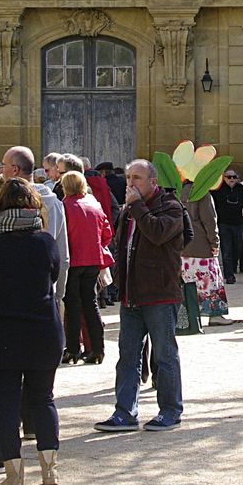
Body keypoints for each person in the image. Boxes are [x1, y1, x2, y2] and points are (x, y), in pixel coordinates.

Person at [0, 177, 64, 485]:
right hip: (42, 329)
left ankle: (13, 474)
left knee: (5, 402)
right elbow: (53, 276)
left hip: (0, 331)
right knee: (43, 398)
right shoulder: (44, 242)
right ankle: (49, 470)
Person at [95, 159, 188, 433]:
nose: (130, 183)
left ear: (153, 182)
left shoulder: (170, 207)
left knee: (164, 355)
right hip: (131, 295)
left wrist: (136, 207)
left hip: (160, 294)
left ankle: (170, 410)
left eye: (137, 177)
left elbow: (158, 234)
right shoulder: (127, 210)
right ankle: (124, 413)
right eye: (128, 177)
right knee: (128, 356)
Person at [0, 146, 70, 306]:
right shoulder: (55, 203)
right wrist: (58, 294)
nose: (1, 170)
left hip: (14, 292)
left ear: (15, 169)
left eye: (4, 165)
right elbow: (62, 254)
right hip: (46, 292)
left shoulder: (8, 203)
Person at [60, 169, 113, 365]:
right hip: (93, 260)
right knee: (91, 304)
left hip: (73, 261)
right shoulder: (94, 204)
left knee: (72, 306)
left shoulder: (65, 206)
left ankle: (73, 349)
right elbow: (107, 234)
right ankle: (97, 349)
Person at [183, 183, 232, 327]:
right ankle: (214, 315)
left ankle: (186, 316)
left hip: (182, 246)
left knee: (187, 281)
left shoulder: (176, 191)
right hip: (201, 245)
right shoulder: (202, 193)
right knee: (210, 281)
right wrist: (214, 242)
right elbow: (209, 220)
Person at [213, 167, 243, 283]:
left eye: (234, 177)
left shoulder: (241, 189)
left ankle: (232, 268)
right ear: (224, 178)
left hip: (238, 222)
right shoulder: (218, 189)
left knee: (237, 248)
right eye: (229, 177)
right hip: (224, 223)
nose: (232, 179)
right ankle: (229, 275)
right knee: (227, 250)